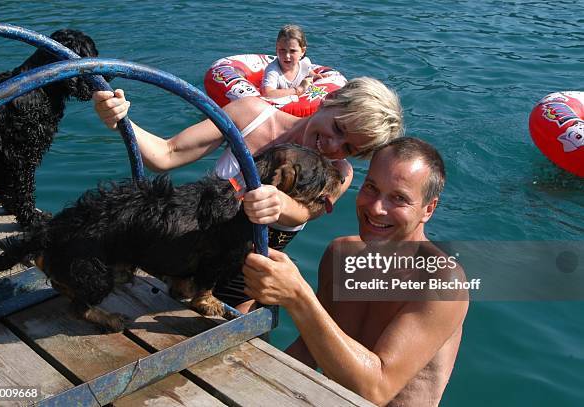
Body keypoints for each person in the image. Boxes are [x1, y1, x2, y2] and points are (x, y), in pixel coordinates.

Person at [93, 76, 403, 311]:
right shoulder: (252, 115)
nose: (334, 147)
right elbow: (167, 153)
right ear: (330, 99)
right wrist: (121, 120)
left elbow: (304, 212)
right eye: (337, 128)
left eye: (349, 147)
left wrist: (277, 200)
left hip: (243, 284)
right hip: (181, 261)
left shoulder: (337, 174)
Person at [242, 137, 469, 406]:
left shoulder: (441, 281)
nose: (376, 208)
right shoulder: (341, 255)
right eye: (372, 188)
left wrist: (298, 296)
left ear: (428, 209)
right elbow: (308, 350)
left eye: (399, 198)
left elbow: (376, 389)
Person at [260, 24, 323, 98]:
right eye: (282, 50)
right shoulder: (272, 70)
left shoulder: (305, 63)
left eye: (292, 51)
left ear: (302, 51)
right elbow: (267, 94)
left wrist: (315, 76)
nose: (287, 56)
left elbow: (309, 73)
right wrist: (300, 89)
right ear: (276, 49)